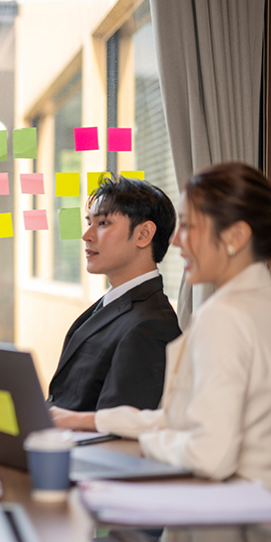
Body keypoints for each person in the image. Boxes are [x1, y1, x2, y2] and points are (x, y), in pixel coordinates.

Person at [53, 163, 271, 514]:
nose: (176, 239)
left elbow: (210, 455)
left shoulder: (225, 315)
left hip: (251, 520)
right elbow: (188, 417)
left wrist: (148, 442)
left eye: (190, 226)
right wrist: (89, 420)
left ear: (235, 237)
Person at [46, 175, 181, 412]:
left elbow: (118, 427)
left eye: (103, 223)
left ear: (144, 234)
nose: (86, 235)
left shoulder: (151, 325)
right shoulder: (113, 303)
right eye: (89, 222)